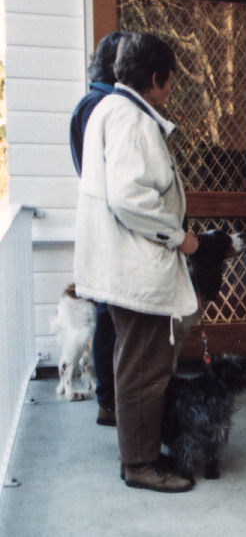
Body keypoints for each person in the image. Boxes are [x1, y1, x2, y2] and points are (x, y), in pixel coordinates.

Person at [73, 31, 200, 493]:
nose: (169, 92)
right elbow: (131, 199)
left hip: (121, 266)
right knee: (144, 373)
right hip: (137, 270)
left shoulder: (109, 108)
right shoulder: (132, 119)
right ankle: (141, 464)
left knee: (135, 368)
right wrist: (179, 237)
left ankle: (140, 452)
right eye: (168, 82)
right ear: (154, 78)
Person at [68, 30, 128, 427]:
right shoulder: (100, 105)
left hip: (110, 224)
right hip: (111, 226)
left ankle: (113, 398)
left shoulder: (97, 102)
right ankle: (109, 401)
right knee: (109, 314)